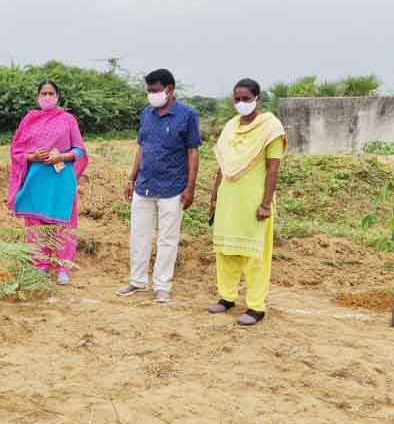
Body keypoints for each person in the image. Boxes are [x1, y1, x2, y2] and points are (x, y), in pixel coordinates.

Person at [116, 69, 201, 302]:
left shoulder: (187, 115)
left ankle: (162, 284)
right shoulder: (147, 114)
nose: (151, 94)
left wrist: (190, 187)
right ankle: (137, 281)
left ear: (169, 89)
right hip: (144, 185)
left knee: (167, 238)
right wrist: (131, 179)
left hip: (173, 188)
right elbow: (141, 148)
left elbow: (192, 152)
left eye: (155, 90)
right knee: (139, 235)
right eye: (149, 90)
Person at [208, 78, 286, 325]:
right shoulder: (231, 125)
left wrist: (265, 204)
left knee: (254, 256)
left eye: (246, 98)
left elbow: (273, 169)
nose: (241, 103)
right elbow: (223, 165)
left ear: (257, 99)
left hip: (253, 201)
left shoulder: (271, 127)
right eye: (237, 99)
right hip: (228, 199)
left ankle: (256, 307)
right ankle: (226, 297)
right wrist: (214, 197)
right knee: (225, 251)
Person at [6, 81, 89, 285]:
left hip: (61, 180)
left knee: (64, 223)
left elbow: (79, 150)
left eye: (51, 93)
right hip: (36, 180)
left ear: (58, 96)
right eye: (44, 93)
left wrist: (62, 156)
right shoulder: (29, 120)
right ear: (37, 97)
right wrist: (33, 156)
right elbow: (16, 151)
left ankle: (63, 267)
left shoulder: (67, 120)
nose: (47, 97)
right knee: (36, 224)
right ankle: (40, 264)